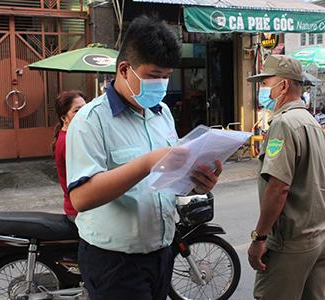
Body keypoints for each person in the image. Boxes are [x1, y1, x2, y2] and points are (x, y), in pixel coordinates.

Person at [66, 16, 222, 300]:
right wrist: (146, 163)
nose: (161, 84)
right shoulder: (90, 121)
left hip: (161, 251)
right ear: (125, 69)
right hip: (114, 261)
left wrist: (197, 183)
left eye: (166, 76)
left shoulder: (161, 114)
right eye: (153, 75)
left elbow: (170, 178)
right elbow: (81, 198)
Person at [246, 55, 325, 300]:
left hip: (292, 244)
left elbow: (278, 187)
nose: (262, 89)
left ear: (283, 85)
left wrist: (259, 237)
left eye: (265, 82)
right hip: (321, 236)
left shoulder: (284, 124)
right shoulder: (311, 122)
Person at [52, 90, 87, 222]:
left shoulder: (70, 136)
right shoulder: (69, 141)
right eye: (77, 110)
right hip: (79, 211)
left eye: (85, 108)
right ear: (64, 118)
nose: (84, 113)